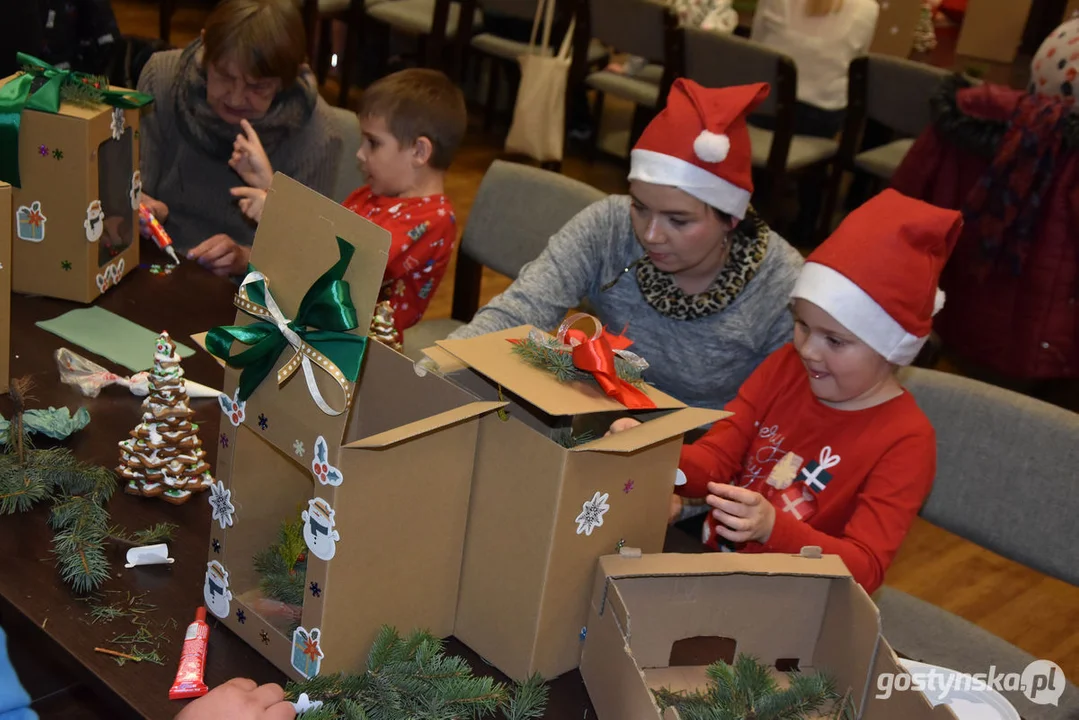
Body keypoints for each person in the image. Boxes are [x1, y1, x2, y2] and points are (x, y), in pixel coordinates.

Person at [609, 189, 962, 595]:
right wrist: (654, 454)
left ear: (890, 347)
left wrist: (774, 528)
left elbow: (864, 568)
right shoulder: (786, 367)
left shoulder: (906, 442)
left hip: (793, 604)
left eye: (835, 340)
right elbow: (718, 458)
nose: (807, 349)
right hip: (714, 571)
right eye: (803, 326)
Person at [444, 79, 805, 411]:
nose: (650, 235)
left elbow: (778, 414)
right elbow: (520, 309)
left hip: (702, 450)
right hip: (602, 410)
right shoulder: (611, 225)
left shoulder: (780, 283)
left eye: (678, 221)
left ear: (732, 218)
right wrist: (439, 366)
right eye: (641, 208)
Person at [230, 68, 467, 344]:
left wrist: (276, 211)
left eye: (373, 143)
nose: (360, 154)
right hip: (318, 329)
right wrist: (269, 184)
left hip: (359, 353)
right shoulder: (370, 195)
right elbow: (324, 239)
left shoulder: (434, 221)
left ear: (419, 151)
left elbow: (340, 263)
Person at [137, 0, 343, 277]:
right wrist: (140, 207)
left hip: (244, 290)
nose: (235, 97)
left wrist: (245, 258)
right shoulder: (161, 79)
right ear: (205, 46)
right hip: (152, 261)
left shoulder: (317, 134)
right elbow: (132, 187)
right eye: (223, 76)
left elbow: (305, 259)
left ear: (287, 78)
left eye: (258, 86)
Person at [750, 0, 879, 139]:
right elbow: (856, 66)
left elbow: (753, 53)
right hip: (822, 118)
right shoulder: (868, 9)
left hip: (764, 107)